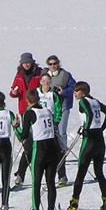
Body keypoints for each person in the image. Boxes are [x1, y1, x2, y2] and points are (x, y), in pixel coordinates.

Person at [15, 89, 61, 210]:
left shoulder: (29, 113)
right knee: (50, 183)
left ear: (28, 101)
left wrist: (15, 127)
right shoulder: (47, 111)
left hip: (39, 150)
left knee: (36, 182)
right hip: (53, 149)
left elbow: (23, 136)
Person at [66, 81, 106, 210]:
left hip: (89, 140)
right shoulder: (96, 101)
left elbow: (89, 114)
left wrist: (85, 129)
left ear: (83, 92)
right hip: (99, 139)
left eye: (77, 91)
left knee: (81, 172)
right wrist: (101, 128)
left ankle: (74, 204)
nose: (75, 94)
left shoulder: (82, 101)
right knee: (99, 172)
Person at [10, 52, 42, 187]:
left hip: (38, 109)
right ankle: (22, 173)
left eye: (28, 62)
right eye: (24, 62)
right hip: (24, 110)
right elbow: (12, 92)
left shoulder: (39, 73)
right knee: (28, 141)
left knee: (34, 141)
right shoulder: (19, 76)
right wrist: (15, 93)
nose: (26, 64)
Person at [43, 55, 76, 185]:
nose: (53, 66)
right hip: (48, 110)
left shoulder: (65, 75)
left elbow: (73, 87)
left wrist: (64, 92)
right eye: (50, 64)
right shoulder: (45, 75)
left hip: (63, 107)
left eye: (55, 63)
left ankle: (62, 151)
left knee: (61, 131)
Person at [37, 73, 67, 187]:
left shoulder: (53, 94)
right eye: (43, 81)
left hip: (51, 126)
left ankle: (62, 176)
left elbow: (58, 109)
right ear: (40, 82)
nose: (46, 83)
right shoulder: (36, 93)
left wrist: (55, 122)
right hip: (39, 127)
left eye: (48, 81)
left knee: (58, 149)